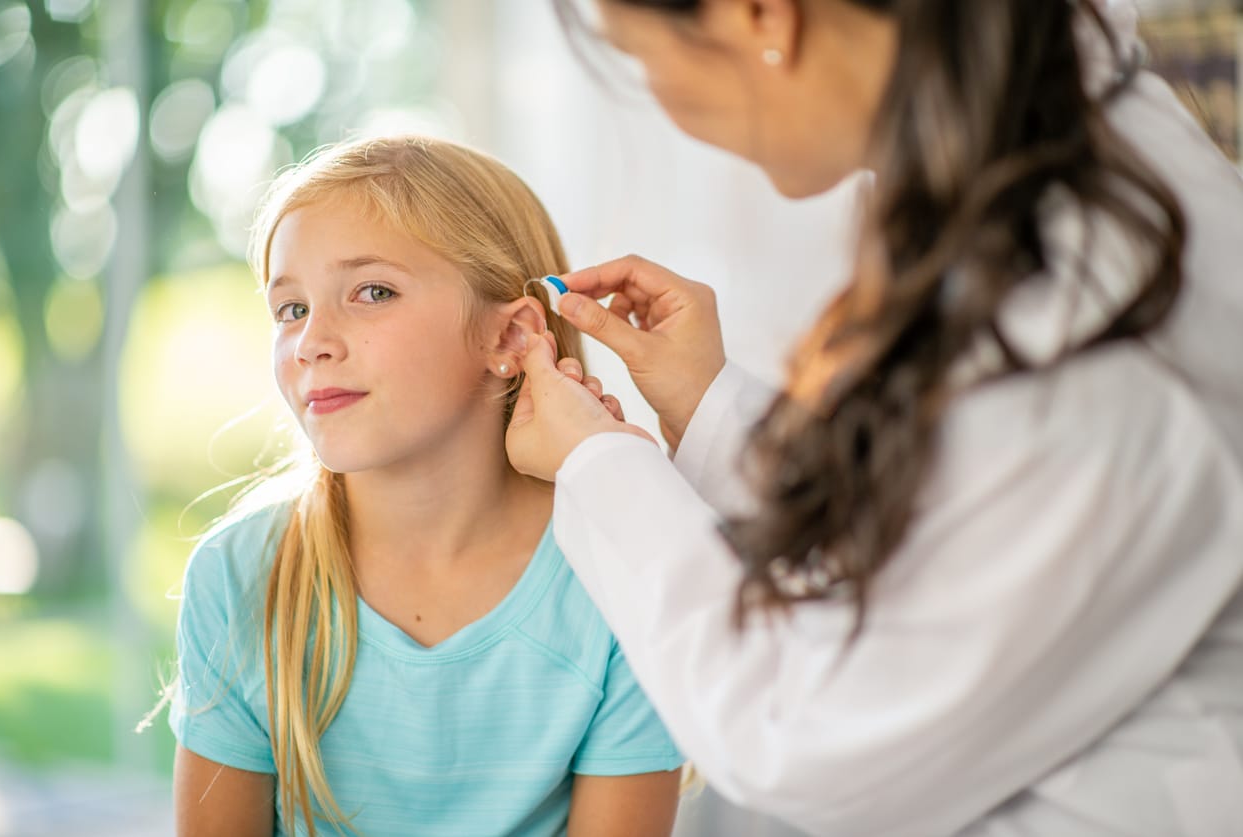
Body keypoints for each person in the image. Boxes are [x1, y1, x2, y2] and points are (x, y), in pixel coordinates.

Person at [505, 1, 1243, 835]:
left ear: (760, 16)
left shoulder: (1081, 321)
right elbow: (946, 532)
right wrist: (708, 405)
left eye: (642, 57)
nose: (661, 98)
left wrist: (603, 468)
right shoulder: (1006, 167)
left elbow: (805, 735)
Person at [168, 135, 683, 837]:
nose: (312, 339)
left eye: (371, 291)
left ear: (511, 339)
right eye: (290, 308)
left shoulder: (620, 577)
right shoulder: (241, 578)